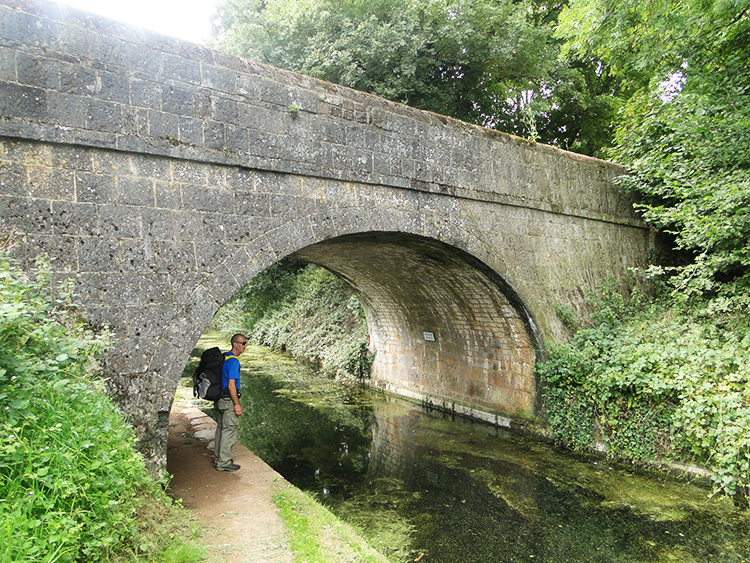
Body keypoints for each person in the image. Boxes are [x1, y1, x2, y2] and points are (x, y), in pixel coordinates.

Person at [213, 334, 247, 472]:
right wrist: (237, 404)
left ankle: (219, 458)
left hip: (219, 399)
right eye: (243, 343)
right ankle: (224, 462)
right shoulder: (233, 362)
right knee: (229, 430)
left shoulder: (225, 358)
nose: (245, 346)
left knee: (221, 429)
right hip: (228, 402)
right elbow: (231, 385)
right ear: (235, 344)